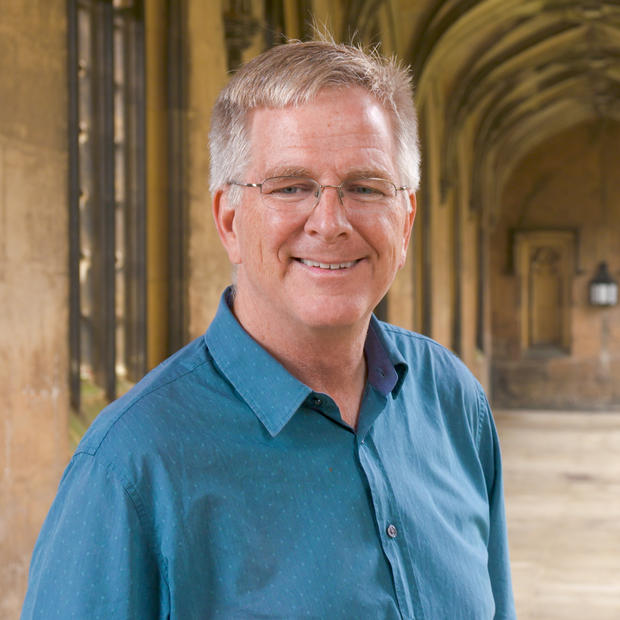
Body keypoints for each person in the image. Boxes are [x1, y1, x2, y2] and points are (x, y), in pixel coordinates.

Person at [22, 39, 516, 619]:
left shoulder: (452, 401)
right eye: (290, 187)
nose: (330, 224)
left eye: (365, 187)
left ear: (405, 221)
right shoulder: (129, 469)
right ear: (229, 220)